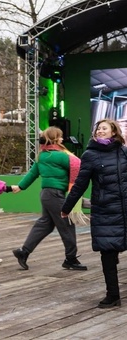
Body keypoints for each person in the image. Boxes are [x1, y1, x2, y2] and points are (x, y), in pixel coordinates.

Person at [62, 119, 127, 308]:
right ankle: (113, 295)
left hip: (124, 209)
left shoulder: (123, 152)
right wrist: (67, 207)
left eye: (104, 129)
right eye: (98, 129)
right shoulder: (90, 155)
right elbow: (80, 184)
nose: (99, 131)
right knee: (107, 253)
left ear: (114, 132)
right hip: (105, 211)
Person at [11, 126, 87, 271]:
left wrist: (20, 187)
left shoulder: (42, 156)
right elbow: (78, 164)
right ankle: (70, 259)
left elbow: (32, 174)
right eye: (60, 136)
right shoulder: (61, 156)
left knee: (45, 224)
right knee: (67, 224)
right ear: (55, 139)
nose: (62, 139)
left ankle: (24, 251)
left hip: (46, 194)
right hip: (55, 194)